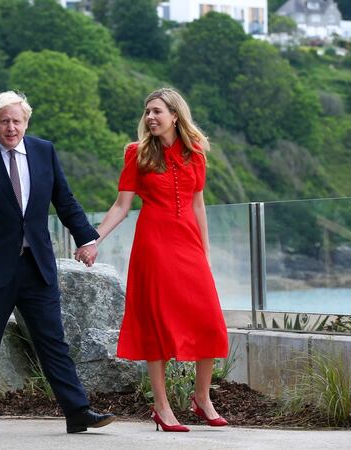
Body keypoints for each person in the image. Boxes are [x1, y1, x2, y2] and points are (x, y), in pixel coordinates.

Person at [0, 91, 116, 435]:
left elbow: (64, 200)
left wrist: (86, 239)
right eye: (4, 120)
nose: (11, 127)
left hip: (36, 264)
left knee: (53, 341)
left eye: (16, 120)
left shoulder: (44, 151)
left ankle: (77, 411)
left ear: (26, 122)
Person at [93, 88, 229, 432]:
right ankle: (162, 407)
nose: (150, 117)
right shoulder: (136, 154)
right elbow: (122, 206)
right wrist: (93, 238)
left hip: (189, 245)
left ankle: (202, 398)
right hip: (154, 245)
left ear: (175, 115)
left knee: (209, 318)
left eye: (157, 111)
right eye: (147, 112)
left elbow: (198, 205)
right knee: (156, 323)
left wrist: (206, 251)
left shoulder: (196, 152)